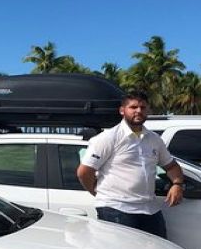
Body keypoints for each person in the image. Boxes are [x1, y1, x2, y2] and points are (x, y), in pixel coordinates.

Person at [76, 91, 185, 238]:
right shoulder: (108, 138)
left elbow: (171, 166)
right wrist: (97, 192)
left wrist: (177, 184)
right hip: (116, 208)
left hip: (150, 209)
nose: (138, 111)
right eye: (133, 107)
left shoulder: (154, 139)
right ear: (122, 110)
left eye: (143, 107)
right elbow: (84, 172)